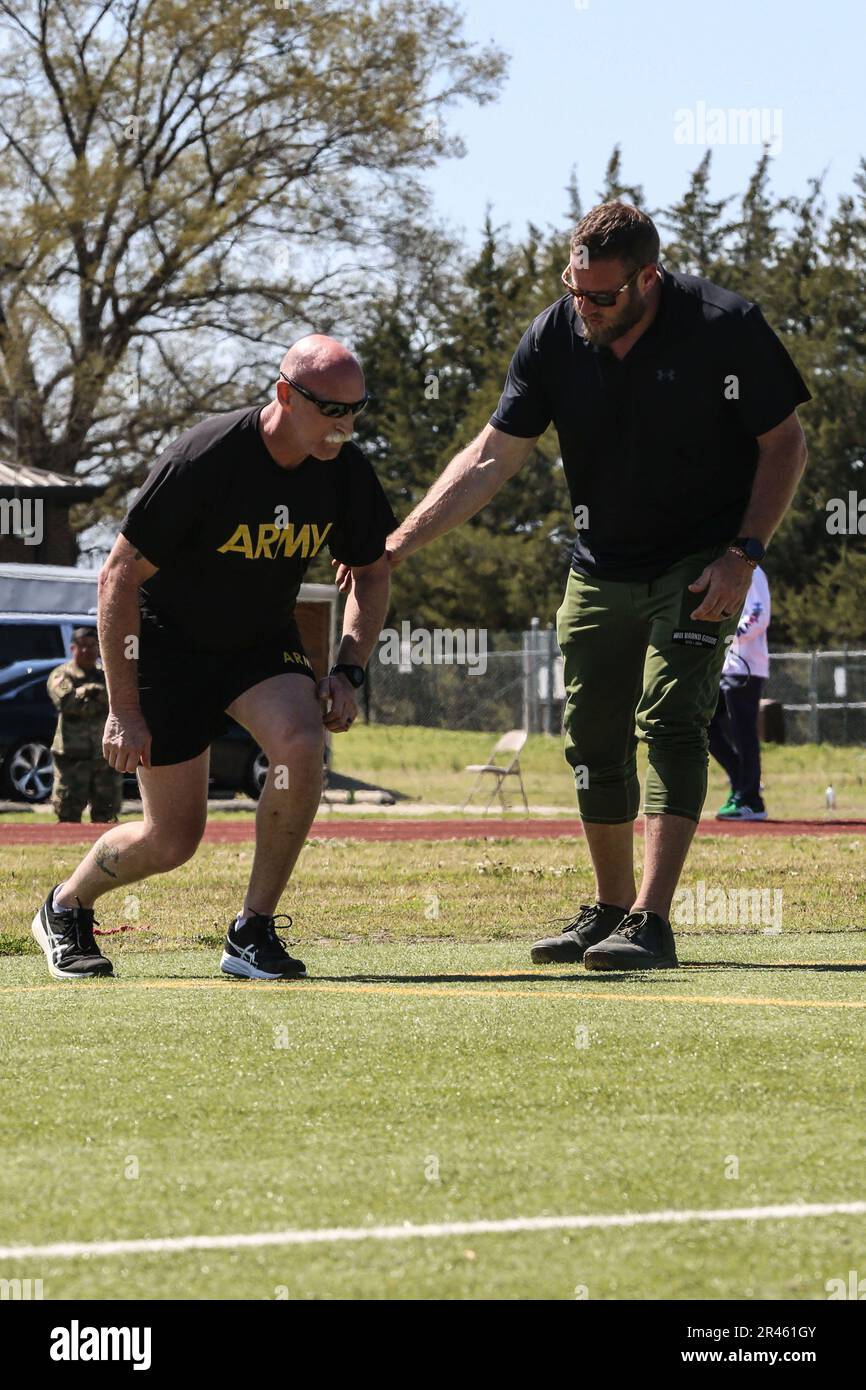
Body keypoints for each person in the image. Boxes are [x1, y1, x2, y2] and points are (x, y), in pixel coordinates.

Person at [339, 201, 809, 970]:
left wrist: (744, 553)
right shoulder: (555, 335)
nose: (583, 306)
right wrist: (396, 544)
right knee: (591, 734)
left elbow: (783, 441)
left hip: (699, 562)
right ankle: (611, 908)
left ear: (647, 278)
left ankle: (653, 922)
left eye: (602, 296)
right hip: (599, 565)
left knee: (672, 722)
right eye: (573, 288)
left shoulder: (725, 325)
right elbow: (492, 457)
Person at [31, 335, 395, 982]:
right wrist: (124, 710)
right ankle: (66, 904)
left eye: (355, 411)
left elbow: (371, 572)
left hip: (259, 643)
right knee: (172, 840)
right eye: (330, 410)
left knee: (302, 739)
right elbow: (116, 576)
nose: (344, 427)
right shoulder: (204, 458)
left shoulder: (344, 469)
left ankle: (251, 930)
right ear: (285, 394)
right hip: (168, 648)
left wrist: (347, 668)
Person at [709, 564, 771, 820]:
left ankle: (751, 800)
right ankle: (741, 780)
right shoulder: (721, 569)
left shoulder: (752, 571)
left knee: (743, 732)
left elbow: (759, 613)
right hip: (723, 666)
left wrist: (731, 634)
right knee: (705, 723)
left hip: (746, 667)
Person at [47, 627, 123, 824]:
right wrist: (91, 691)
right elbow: (67, 703)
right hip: (72, 759)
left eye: (92, 646)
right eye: (82, 646)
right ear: (73, 648)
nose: (88, 651)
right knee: (68, 814)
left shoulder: (107, 675)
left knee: (107, 815)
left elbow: (119, 700)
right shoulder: (62, 675)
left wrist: (90, 695)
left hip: (103, 758)